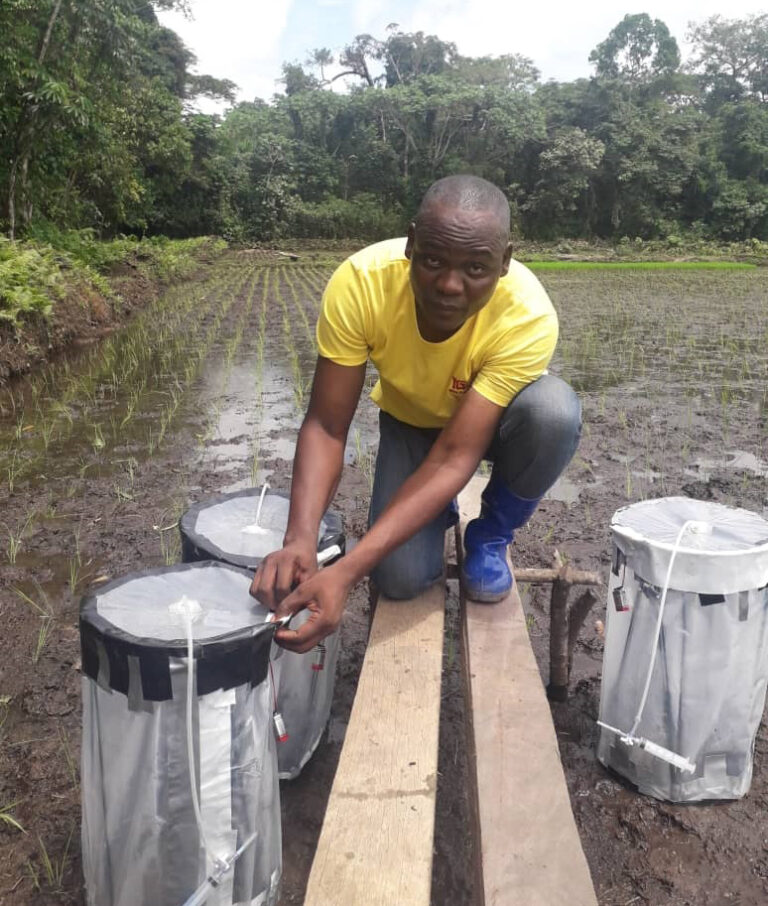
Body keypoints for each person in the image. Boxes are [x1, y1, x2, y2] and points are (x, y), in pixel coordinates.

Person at [250, 175, 581, 652]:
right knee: (401, 579)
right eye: (431, 261)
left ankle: (490, 534)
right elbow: (326, 425)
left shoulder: (527, 315)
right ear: (410, 244)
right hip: (411, 423)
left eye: (475, 268)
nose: (449, 285)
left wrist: (344, 571)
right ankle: (433, 509)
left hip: (492, 427)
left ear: (505, 262)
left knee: (554, 412)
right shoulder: (362, 284)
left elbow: (455, 456)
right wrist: (300, 538)